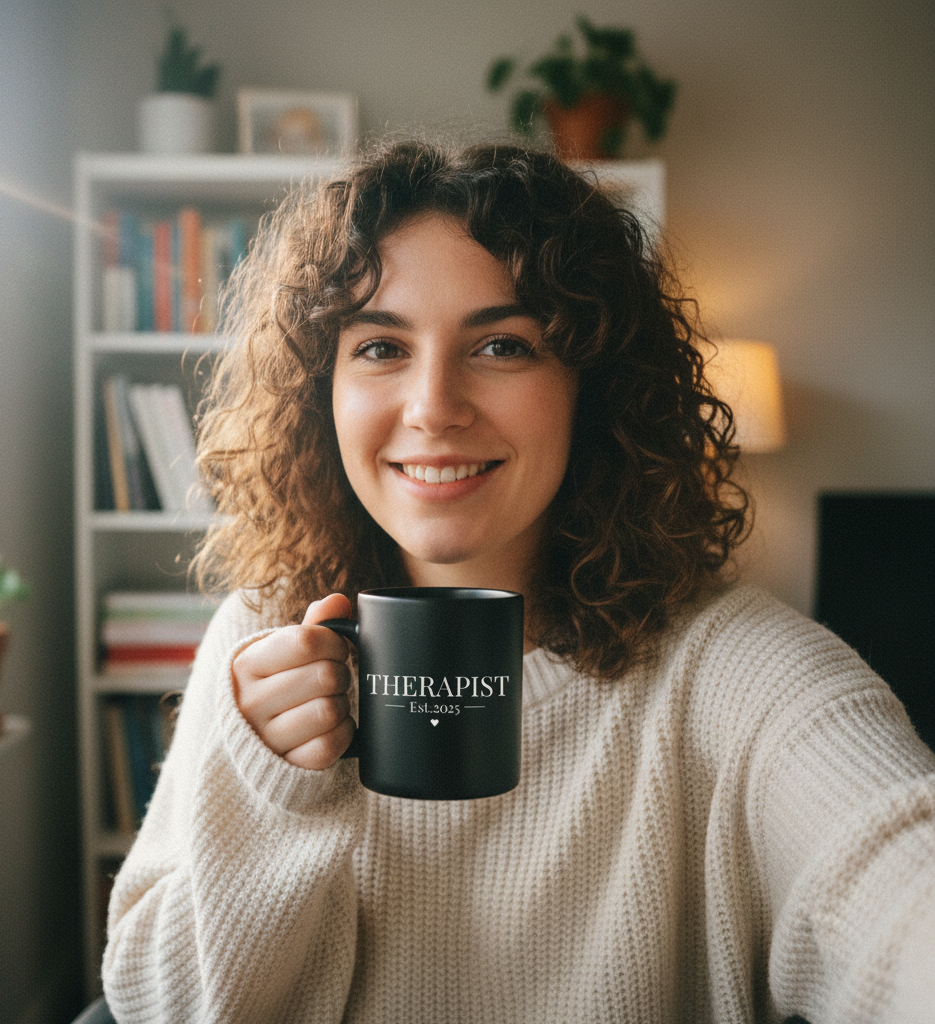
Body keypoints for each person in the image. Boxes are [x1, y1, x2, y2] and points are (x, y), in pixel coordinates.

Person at [102, 141, 935, 1023]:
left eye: (503, 344)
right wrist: (270, 790)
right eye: (381, 346)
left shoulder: (729, 669)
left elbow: (893, 874)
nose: (432, 406)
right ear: (324, 392)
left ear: (593, 385)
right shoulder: (259, 641)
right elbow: (158, 1004)